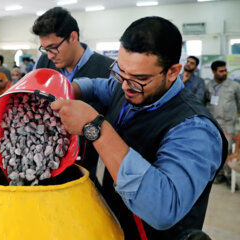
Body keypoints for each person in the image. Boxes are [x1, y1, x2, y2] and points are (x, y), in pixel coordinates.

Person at [50, 16, 227, 239]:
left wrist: (94, 127)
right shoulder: (127, 85)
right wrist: (70, 89)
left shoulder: (195, 129)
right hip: (114, 223)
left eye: (139, 78)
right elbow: (98, 86)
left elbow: (163, 209)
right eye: (121, 71)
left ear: (173, 72)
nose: (125, 85)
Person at [32, 6, 113, 181]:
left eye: (53, 47)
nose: (50, 55)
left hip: (88, 162)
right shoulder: (43, 62)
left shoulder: (107, 70)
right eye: (45, 48)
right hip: (45, 159)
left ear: (73, 37)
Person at [204, 60, 240, 186]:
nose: (224, 73)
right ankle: (218, 175)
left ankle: (229, 176)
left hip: (229, 124)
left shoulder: (234, 86)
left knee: (228, 150)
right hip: (213, 124)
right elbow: (204, 102)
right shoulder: (208, 85)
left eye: (225, 70)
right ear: (214, 72)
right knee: (215, 150)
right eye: (221, 71)